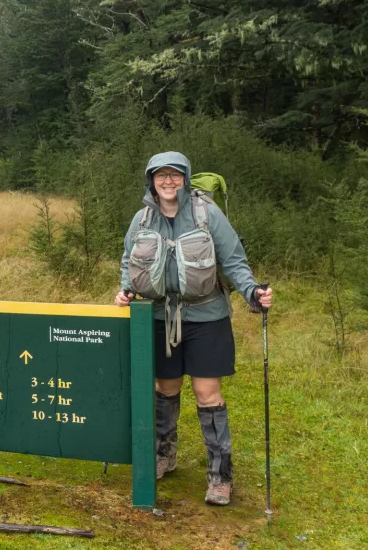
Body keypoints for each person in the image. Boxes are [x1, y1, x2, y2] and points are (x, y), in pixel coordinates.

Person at [116, 152, 273, 506]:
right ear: (151, 180)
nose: (168, 182)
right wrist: (126, 289)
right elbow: (129, 261)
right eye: (161, 176)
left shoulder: (207, 214)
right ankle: (163, 455)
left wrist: (252, 292)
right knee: (165, 388)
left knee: (207, 394)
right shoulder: (142, 219)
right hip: (157, 317)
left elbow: (233, 259)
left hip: (207, 318)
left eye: (175, 175)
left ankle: (220, 475)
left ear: (185, 178)